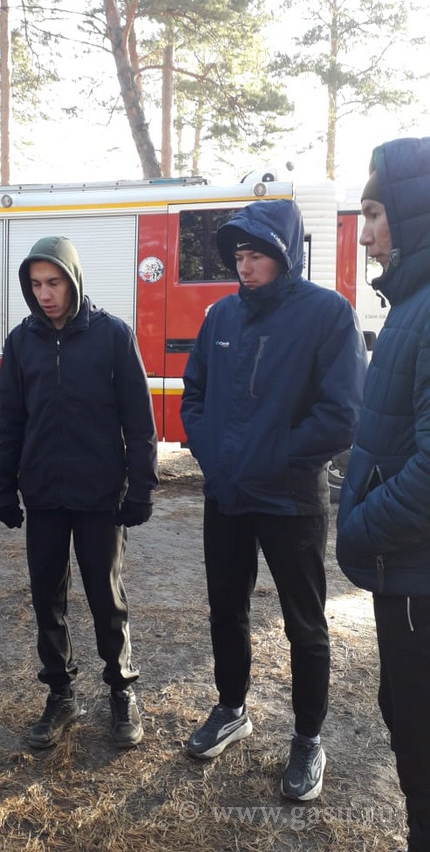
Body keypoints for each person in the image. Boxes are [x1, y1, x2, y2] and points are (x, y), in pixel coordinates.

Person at [180, 199, 367, 801]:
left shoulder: (327, 314)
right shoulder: (220, 316)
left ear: (285, 255)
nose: (245, 265)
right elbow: (194, 395)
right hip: (227, 496)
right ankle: (231, 708)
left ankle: (308, 738)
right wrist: (213, 455)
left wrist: (276, 456)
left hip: (291, 500)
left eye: (257, 253)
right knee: (226, 610)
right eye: (239, 254)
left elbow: (343, 414)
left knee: (304, 625)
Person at [0, 236, 158, 749]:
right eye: (36, 284)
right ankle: (60, 694)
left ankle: (121, 690)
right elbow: (11, 420)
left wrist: (141, 487)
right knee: (47, 598)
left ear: (74, 280)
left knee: (106, 597)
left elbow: (139, 420)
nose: (45, 294)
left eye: (54, 282)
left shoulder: (112, 335)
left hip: (100, 494)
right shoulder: (21, 342)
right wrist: (3, 486)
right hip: (43, 493)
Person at [336, 137, 430, 852]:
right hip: (403, 574)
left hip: (416, 578)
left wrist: (360, 524)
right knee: (404, 722)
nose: (363, 234)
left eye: (372, 214)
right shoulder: (410, 302)